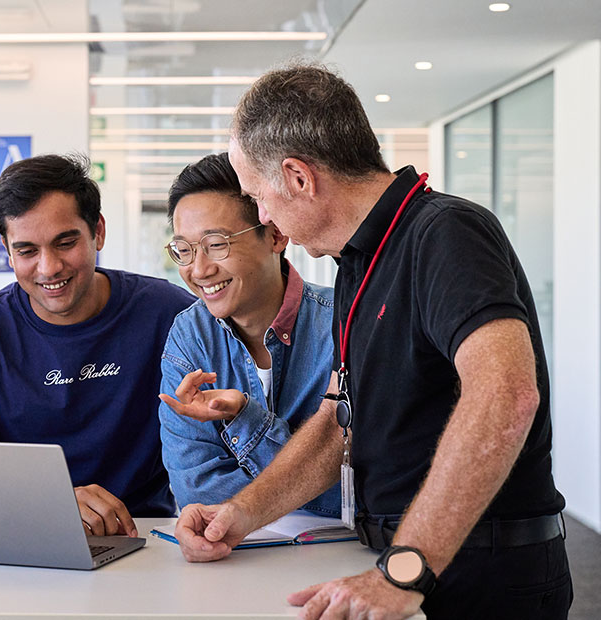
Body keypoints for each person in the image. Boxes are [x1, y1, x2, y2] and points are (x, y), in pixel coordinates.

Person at [175, 64, 571, 620]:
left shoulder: (444, 233)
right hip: (412, 560)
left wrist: (405, 569)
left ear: (297, 177)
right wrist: (238, 516)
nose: (263, 216)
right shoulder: (358, 265)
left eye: (256, 196)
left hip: (479, 571)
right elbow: (339, 422)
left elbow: (505, 396)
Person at [0, 153, 194, 536]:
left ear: (97, 231)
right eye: (27, 251)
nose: (49, 267)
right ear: (7, 248)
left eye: (65, 243)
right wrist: (55, 503)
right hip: (14, 536)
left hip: (144, 536)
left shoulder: (170, 314)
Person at [157, 153, 338, 515]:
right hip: (233, 562)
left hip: (341, 558)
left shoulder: (342, 322)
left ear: (275, 234)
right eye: (184, 250)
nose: (199, 269)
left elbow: (354, 493)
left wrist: (245, 418)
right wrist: (311, 476)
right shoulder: (191, 336)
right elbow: (196, 492)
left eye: (217, 244)